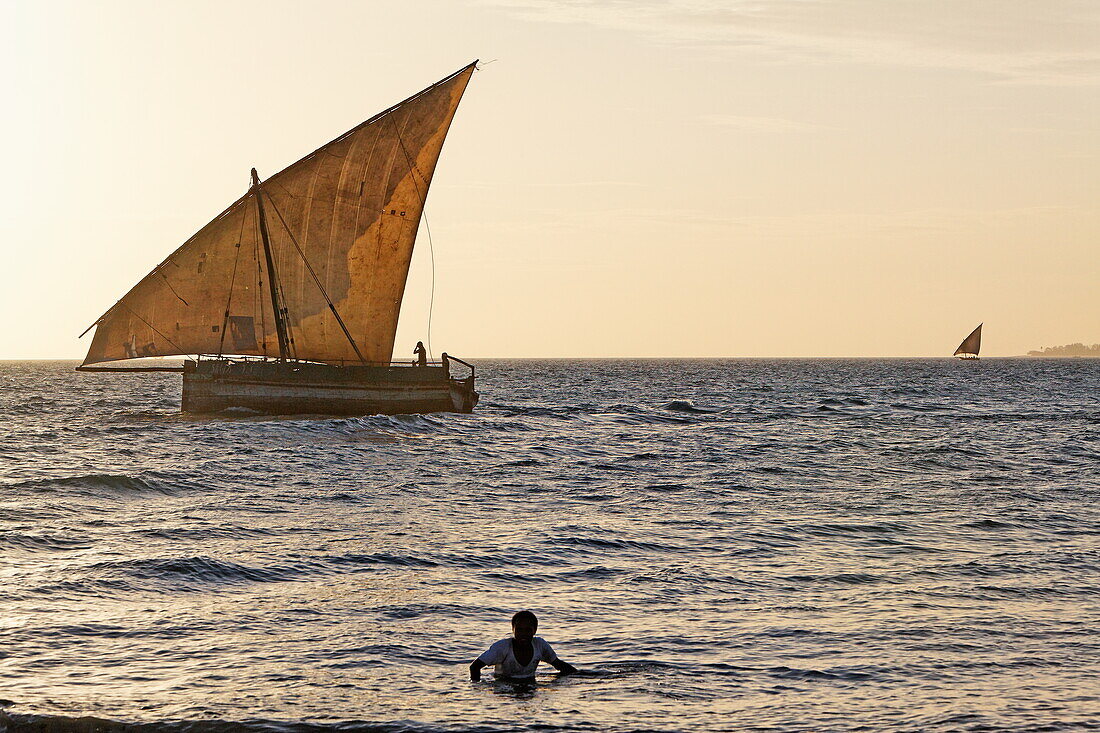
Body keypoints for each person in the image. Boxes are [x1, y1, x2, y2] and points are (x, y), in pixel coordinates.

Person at [469, 610, 578, 681]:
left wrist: (581, 677)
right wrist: (477, 690)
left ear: (534, 631)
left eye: (528, 630)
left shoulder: (540, 645)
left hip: (530, 683)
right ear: (513, 630)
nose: (523, 634)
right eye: (519, 630)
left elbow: (559, 665)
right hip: (504, 686)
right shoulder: (502, 647)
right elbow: (474, 667)